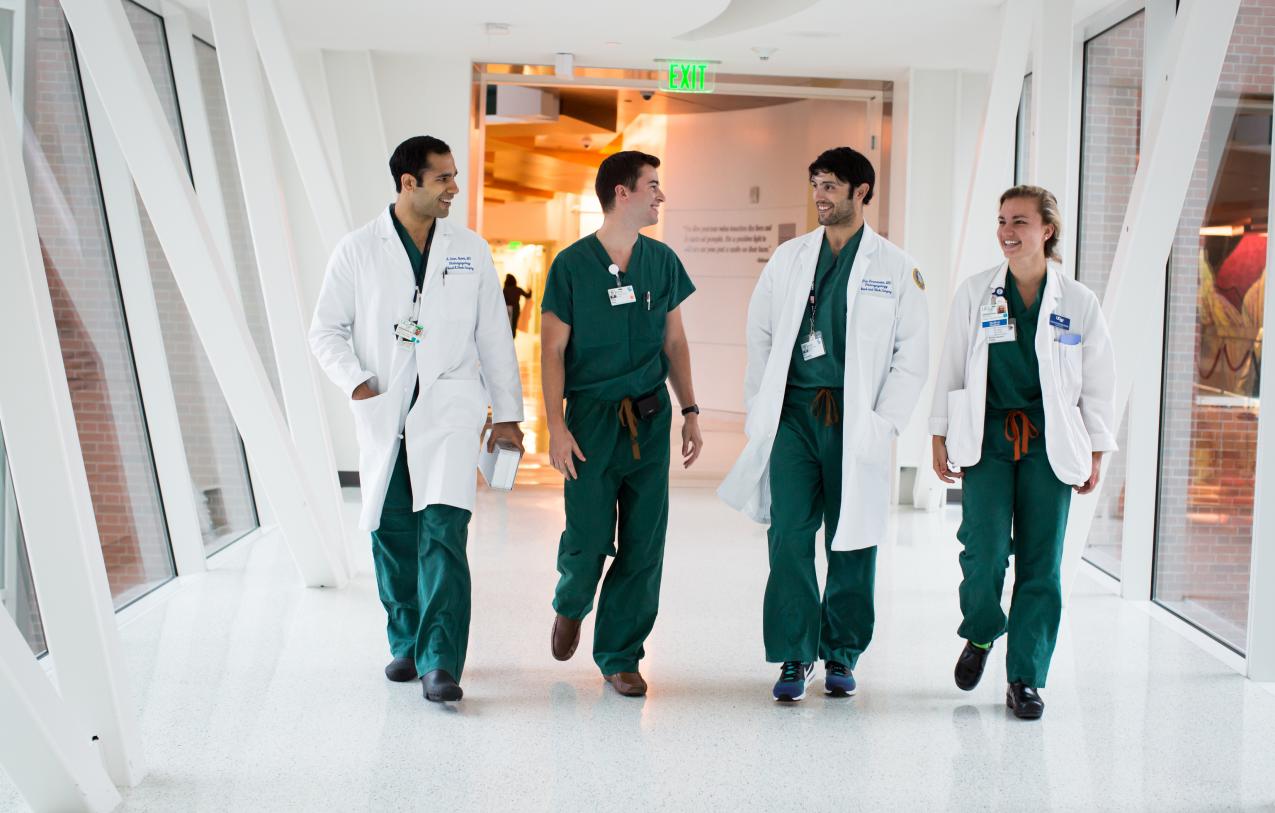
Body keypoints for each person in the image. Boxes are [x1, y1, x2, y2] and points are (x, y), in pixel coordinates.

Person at [309, 135, 524, 703]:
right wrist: (357, 382)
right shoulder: (358, 249)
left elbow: (493, 336)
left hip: (450, 407)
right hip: (385, 408)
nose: (455, 188)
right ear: (409, 183)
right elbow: (324, 329)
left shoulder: (469, 249)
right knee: (393, 532)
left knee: (445, 533)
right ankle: (405, 641)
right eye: (444, 179)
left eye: (454, 176)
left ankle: (440, 661)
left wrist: (507, 415)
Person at [719, 147, 929, 702]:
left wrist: (883, 424)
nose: (821, 196)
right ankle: (793, 654)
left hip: (855, 420)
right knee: (789, 536)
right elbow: (760, 332)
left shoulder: (896, 267)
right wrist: (761, 402)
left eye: (832, 186)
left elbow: (912, 356)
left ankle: (841, 652)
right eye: (816, 184)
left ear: (863, 192)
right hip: (794, 416)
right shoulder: (790, 258)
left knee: (853, 538)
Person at [929, 185, 1116, 720]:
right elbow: (951, 364)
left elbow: (1099, 381)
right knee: (982, 551)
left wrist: (1097, 449)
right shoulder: (975, 292)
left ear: (1047, 230)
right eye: (1002, 221)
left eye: (1020, 222)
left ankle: (1026, 678)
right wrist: (939, 432)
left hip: (1050, 444)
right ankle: (984, 631)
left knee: (1041, 564)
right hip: (987, 438)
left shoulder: (1078, 302)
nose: (1007, 232)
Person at [540, 150, 702, 697]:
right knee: (587, 540)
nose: (660, 196)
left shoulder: (662, 262)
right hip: (589, 421)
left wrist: (691, 411)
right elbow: (553, 352)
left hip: (650, 420)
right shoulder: (570, 265)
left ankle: (620, 656)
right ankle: (571, 602)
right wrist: (555, 428)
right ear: (621, 193)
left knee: (643, 543)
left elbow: (674, 341)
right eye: (652, 186)